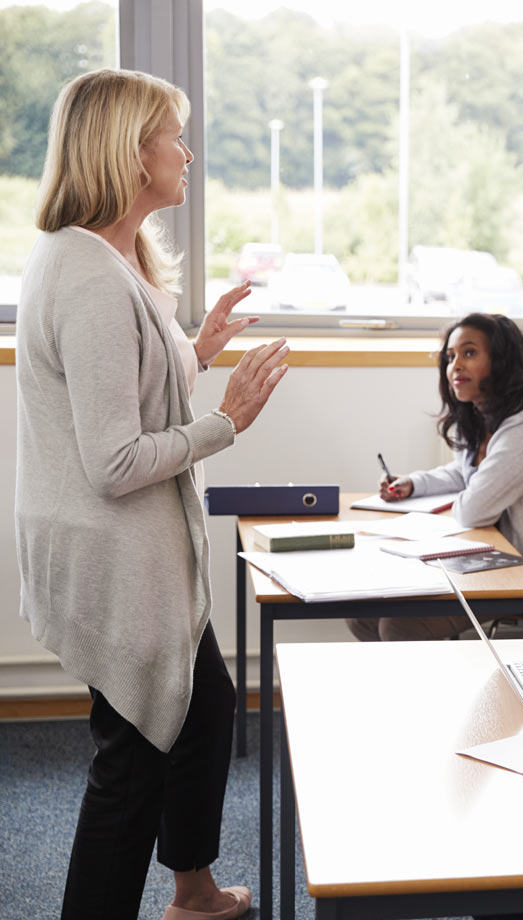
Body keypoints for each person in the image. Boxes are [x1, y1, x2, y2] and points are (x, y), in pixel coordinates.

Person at [15, 70, 289, 920]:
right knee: (131, 762)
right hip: (111, 552)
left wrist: (194, 349)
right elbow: (115, 459)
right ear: (133, 154)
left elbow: (124, 388)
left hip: (123, 546)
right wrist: (226, 421)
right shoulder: (92, 276)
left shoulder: (102, 257)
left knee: (204, 704)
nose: (188, 152)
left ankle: (195, 891)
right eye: (175, 135)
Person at [347, 312, 523, 641]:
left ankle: (439, 694)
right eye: (450, 357)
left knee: (400, 624)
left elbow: (474, 508)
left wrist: (465, 495)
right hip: (499, 557)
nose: (456, 366)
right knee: (362, 615)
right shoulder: (486, 407)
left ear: (501, 359)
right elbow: (470, 473)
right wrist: (415, 484)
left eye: (469, 353)